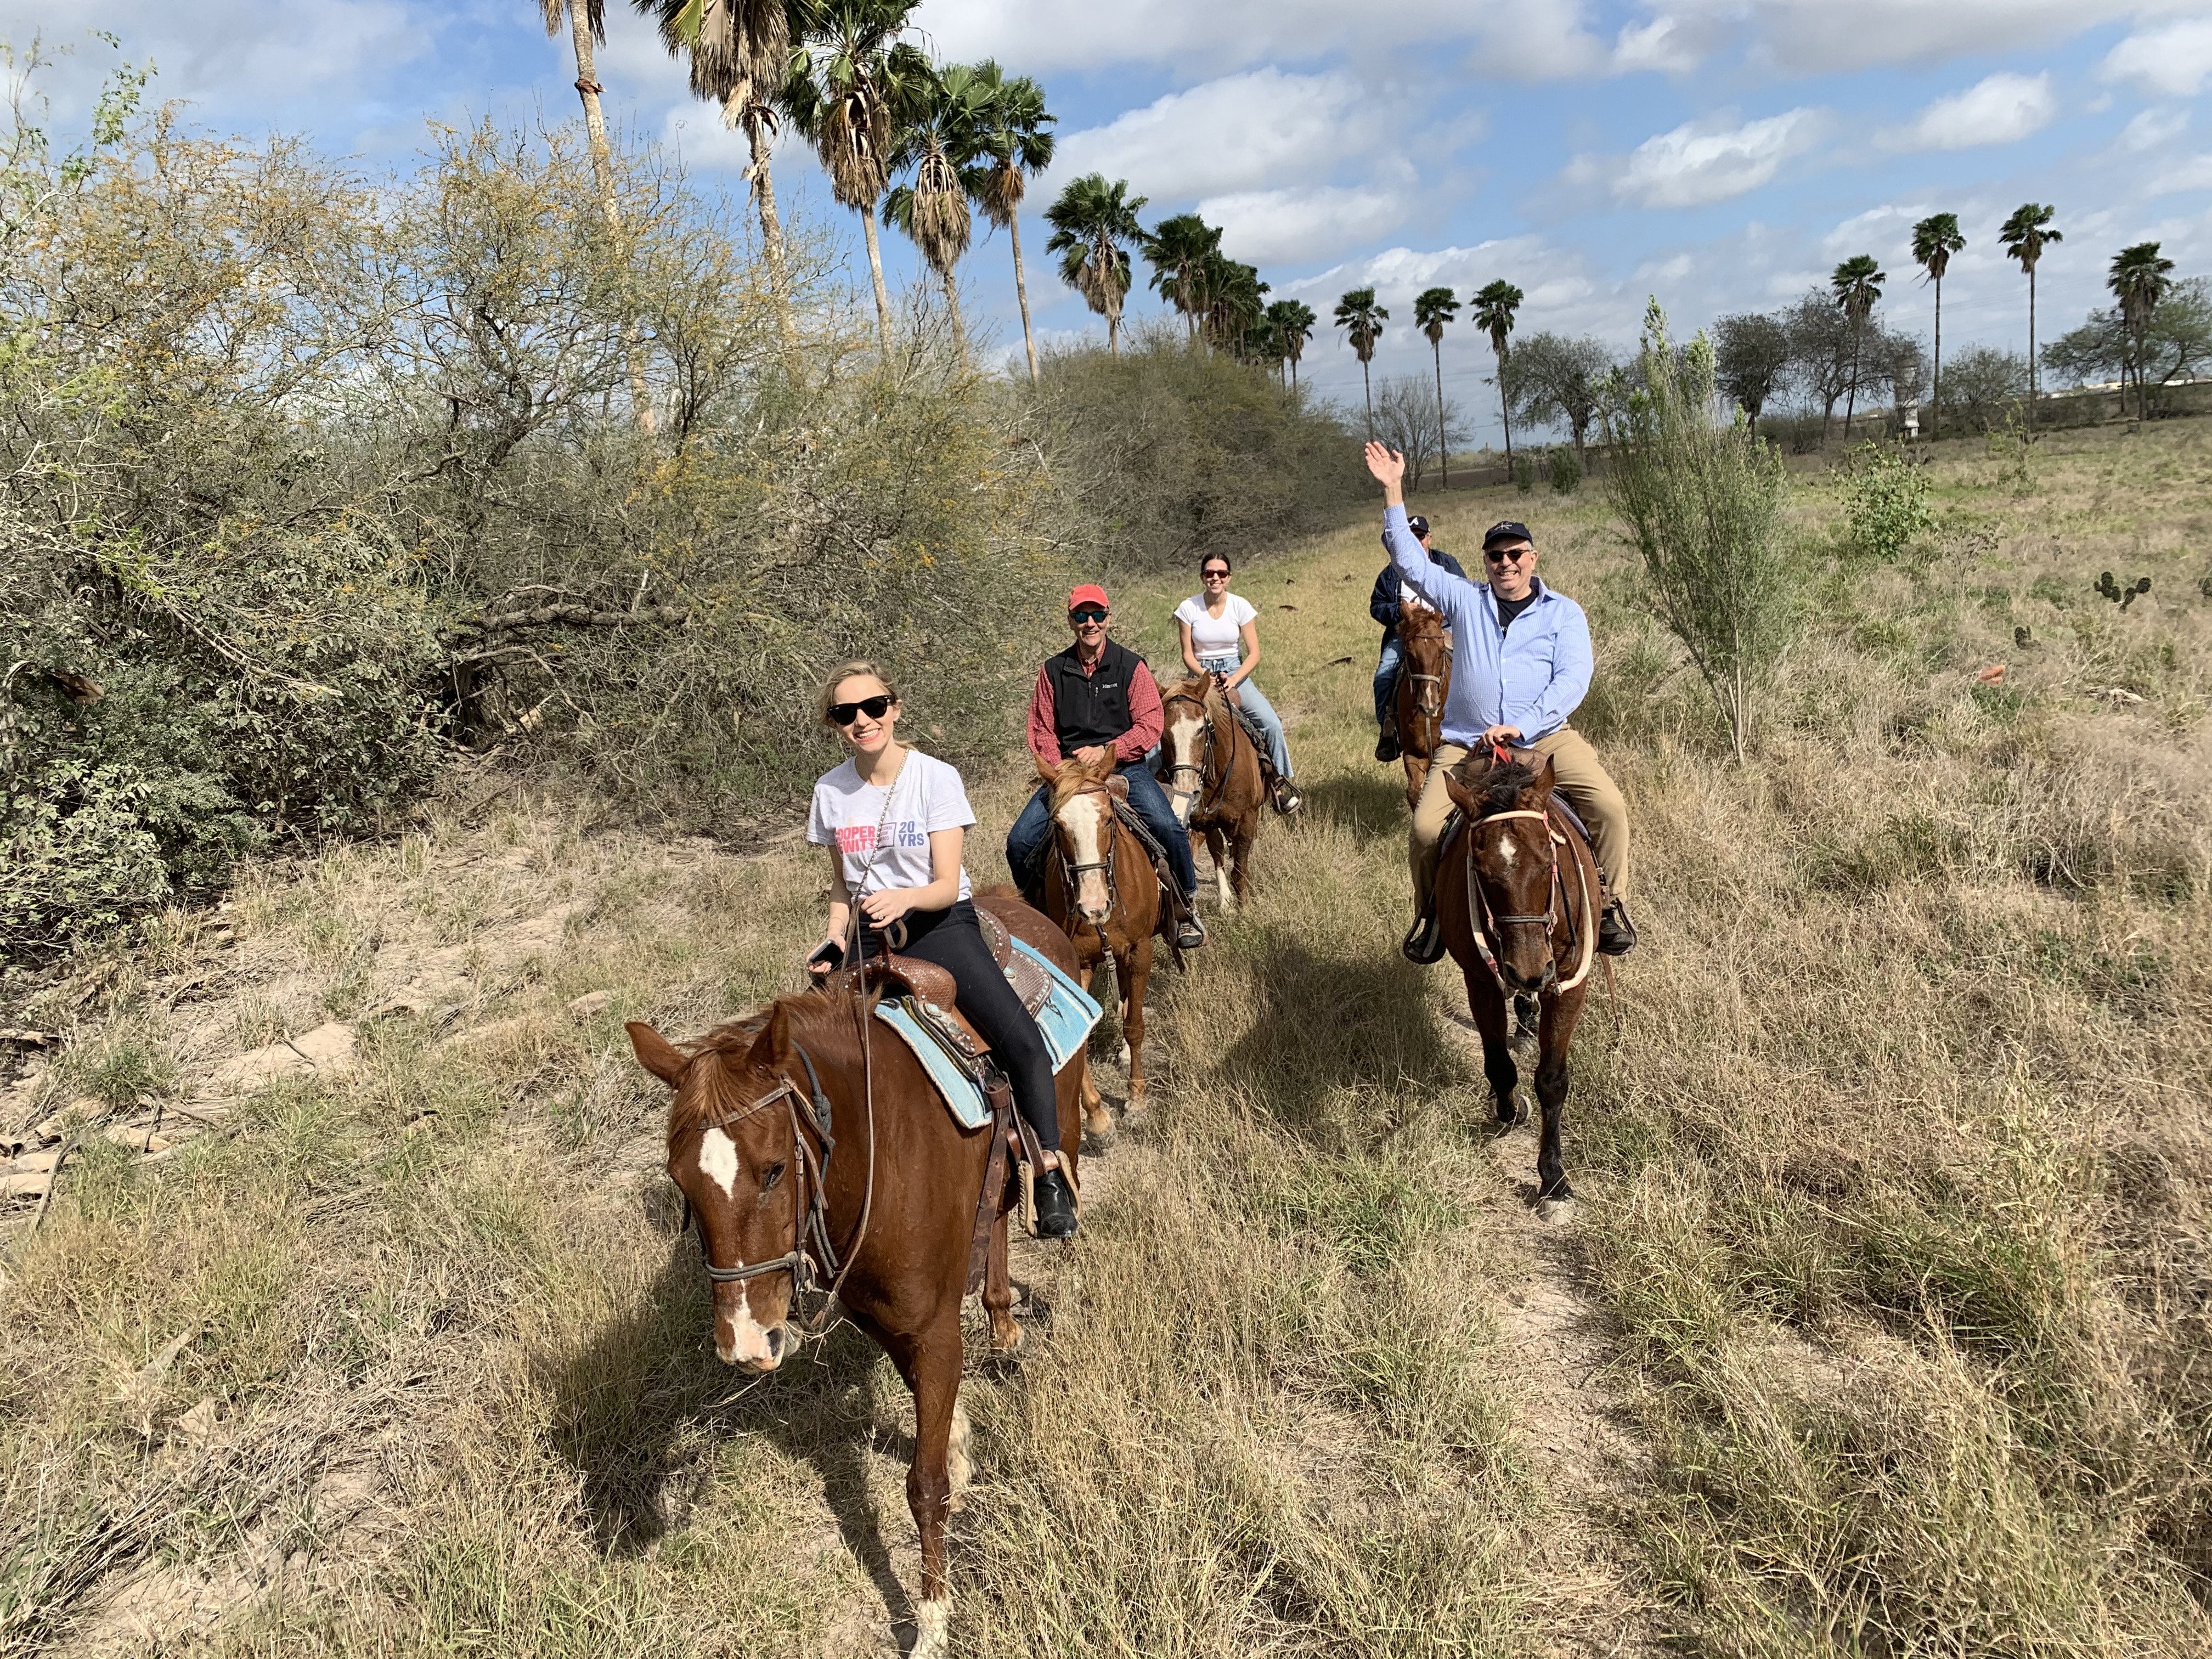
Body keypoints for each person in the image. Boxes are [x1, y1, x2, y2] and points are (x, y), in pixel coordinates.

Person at [805, 661, 1078, 1238]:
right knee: (816, 1053)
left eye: (873, 707)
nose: (862, 721)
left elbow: (943, 880)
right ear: (835, 725)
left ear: (895, 708)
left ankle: (1049, 1168)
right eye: (846, 713)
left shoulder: (935, 777)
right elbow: (840, 884)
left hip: (936, 923)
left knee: (1022, 1041)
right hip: (866, 931)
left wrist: (902, 899)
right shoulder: (830, 791)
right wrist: (834, 934)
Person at [1362, 442, 1638, 962]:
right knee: (1424, 830)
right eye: (1496, 555)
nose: (1506, 563)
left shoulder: (1564, 614)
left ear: (1532, 559)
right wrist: (1394, 490)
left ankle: (1608, 907)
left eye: (1515, 554)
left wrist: (1523, 725)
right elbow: (1409, 561)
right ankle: (1433, 917)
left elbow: (1573, 679)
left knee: (1609, 808)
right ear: (1485, 562)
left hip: (1546, 739)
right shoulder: (1466, 599)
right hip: (1469, 743)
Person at [1006, 585, 1207, 950]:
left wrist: (1107, 751)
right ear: (1071, 622)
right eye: (1081, 616)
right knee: (1019, 842)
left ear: (1108, 618)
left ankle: (1184, 907)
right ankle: (1040, 918)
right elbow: (1041, 730)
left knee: (1167, 827)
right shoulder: (1053, 671)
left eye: (1097, 615)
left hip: (1124, 768)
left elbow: (1149, 723)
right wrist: (1063, 769)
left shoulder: (1132, 666)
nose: (1090, 623)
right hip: (1069, 775)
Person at [1173, 554, 1302, 814]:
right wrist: (1207, 677)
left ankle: (1278, 786)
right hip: (1199, 676)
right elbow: (1188, 654)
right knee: (1175, 725)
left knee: (1271, 724)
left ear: (1229, 577)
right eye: (1210, 573)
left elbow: (1254, 652)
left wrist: (1232, 679)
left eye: (1221, 574)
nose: (1215, 578)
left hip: (1235, 672)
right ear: (1202, 577)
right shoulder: (1188, 608)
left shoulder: (1240, 606)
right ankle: (1166, 787)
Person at [1369, 513, 1468, 763]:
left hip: (1442, 627)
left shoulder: (1446, 564)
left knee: (1470, 667)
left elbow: (1463, 593)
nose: (1416, 542)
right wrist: (1400, 613)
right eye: (1410, 538)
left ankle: (1473, 723)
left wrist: (1444, 615)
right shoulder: (1391, 573)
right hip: (1406, 631)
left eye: (1421, 537)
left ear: (1429, 538)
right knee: (1384, 675)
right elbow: (1377, 606)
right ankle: (1389, 733)